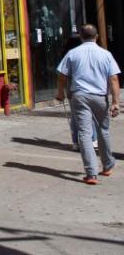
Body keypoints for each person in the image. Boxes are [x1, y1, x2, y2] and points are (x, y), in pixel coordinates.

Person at [55, 23, 120, 185]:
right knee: (103, 130)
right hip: (100, 97)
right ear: (96, 36)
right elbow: (113, 79)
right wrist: (115, 102)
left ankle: (91, 173)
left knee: (84, 133)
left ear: (81, 37)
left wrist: (60, 92)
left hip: (80, 96)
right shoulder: (106, 54)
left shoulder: (73, 53)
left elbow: (62, 76)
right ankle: (107, 165)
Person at [60, 34, 98, 151]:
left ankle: (76, 141)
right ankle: (92, 139)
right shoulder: (81, 55)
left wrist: (63, 90)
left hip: (72, 89)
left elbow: (63, 75)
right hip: (85, 89)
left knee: (75, 116)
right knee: (88, 116)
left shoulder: (69, 55)